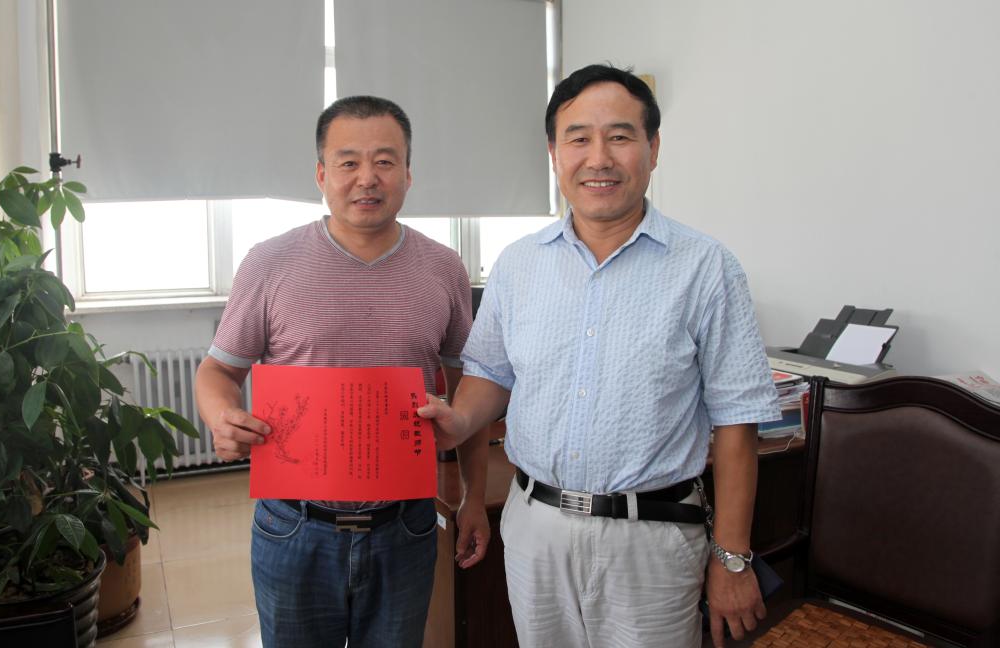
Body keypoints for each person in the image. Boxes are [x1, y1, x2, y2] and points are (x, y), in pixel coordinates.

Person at [418, 64, 780, 648]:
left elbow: (738, 422)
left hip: (652, 540)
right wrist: (459, 421)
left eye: (619, 136)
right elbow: (491, 374)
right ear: (553, 154)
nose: (599, 158)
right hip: (535, 529)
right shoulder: (519, 264)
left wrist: (732, 559)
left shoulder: (706, 267)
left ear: (653, 149)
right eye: (578, 138)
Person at [195, 95, 490, 648]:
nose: (367, 178)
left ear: (408, 173)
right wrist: (221, 416)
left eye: (385, 161)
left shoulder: (443, 267)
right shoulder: (270, 263)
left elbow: (468, 389)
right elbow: (217, 372)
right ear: (321, 174)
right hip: (294, 527)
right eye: (348, 162)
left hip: (405, 526)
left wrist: (474, 496)